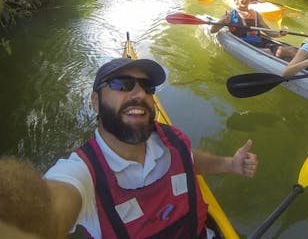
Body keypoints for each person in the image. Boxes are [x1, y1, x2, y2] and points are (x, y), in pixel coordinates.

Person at [2, 57, 259, 238]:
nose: (138, 94)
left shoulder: (172, 141)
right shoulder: (80, 175)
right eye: (122, 84)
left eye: (147, 87)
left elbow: (189, 160)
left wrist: (230, 164)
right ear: (95, 102)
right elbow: (47, 209)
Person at [211, 0, 295, 59]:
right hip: (245, 44)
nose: (244, 0)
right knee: (268, 52)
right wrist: (222, 21)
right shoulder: (230, 14)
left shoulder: (256, 14)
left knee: (292, 50)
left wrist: (280, 33)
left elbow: (269, 32)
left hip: (260, 42)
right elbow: (213, 30)